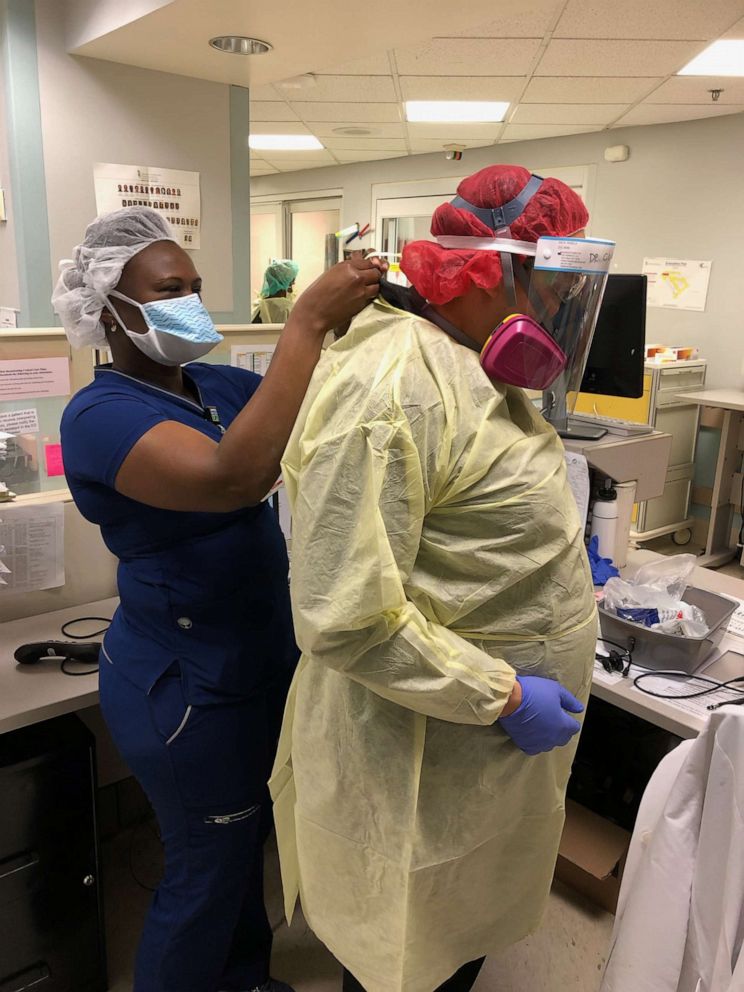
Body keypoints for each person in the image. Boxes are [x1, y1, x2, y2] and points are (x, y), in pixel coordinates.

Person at [270, 165, 614, 992]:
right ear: (484, 272)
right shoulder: (396, 387)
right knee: (403, 953)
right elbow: (344, 615)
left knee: (450, 951)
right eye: (552, 286)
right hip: (419, 755)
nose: (561, 313)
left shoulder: (470, 367)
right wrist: (501, 694)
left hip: (476, 756)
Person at [53, 207, 383, 992]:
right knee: (205, 874)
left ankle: (242, 982)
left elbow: (307, 401)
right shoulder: (98, 416)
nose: (190, 303)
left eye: (195, 287)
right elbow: (234, 474)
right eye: (170, 289)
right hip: (185, 689)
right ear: (107, 312)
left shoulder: (212, 383)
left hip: (254, 665)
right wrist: (305, 317)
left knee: (241, 863)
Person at [252, 260, 300, 324]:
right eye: (292, 280)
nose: (294, 283)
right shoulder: (286, 308)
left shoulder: (258, 306)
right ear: (288, 283)